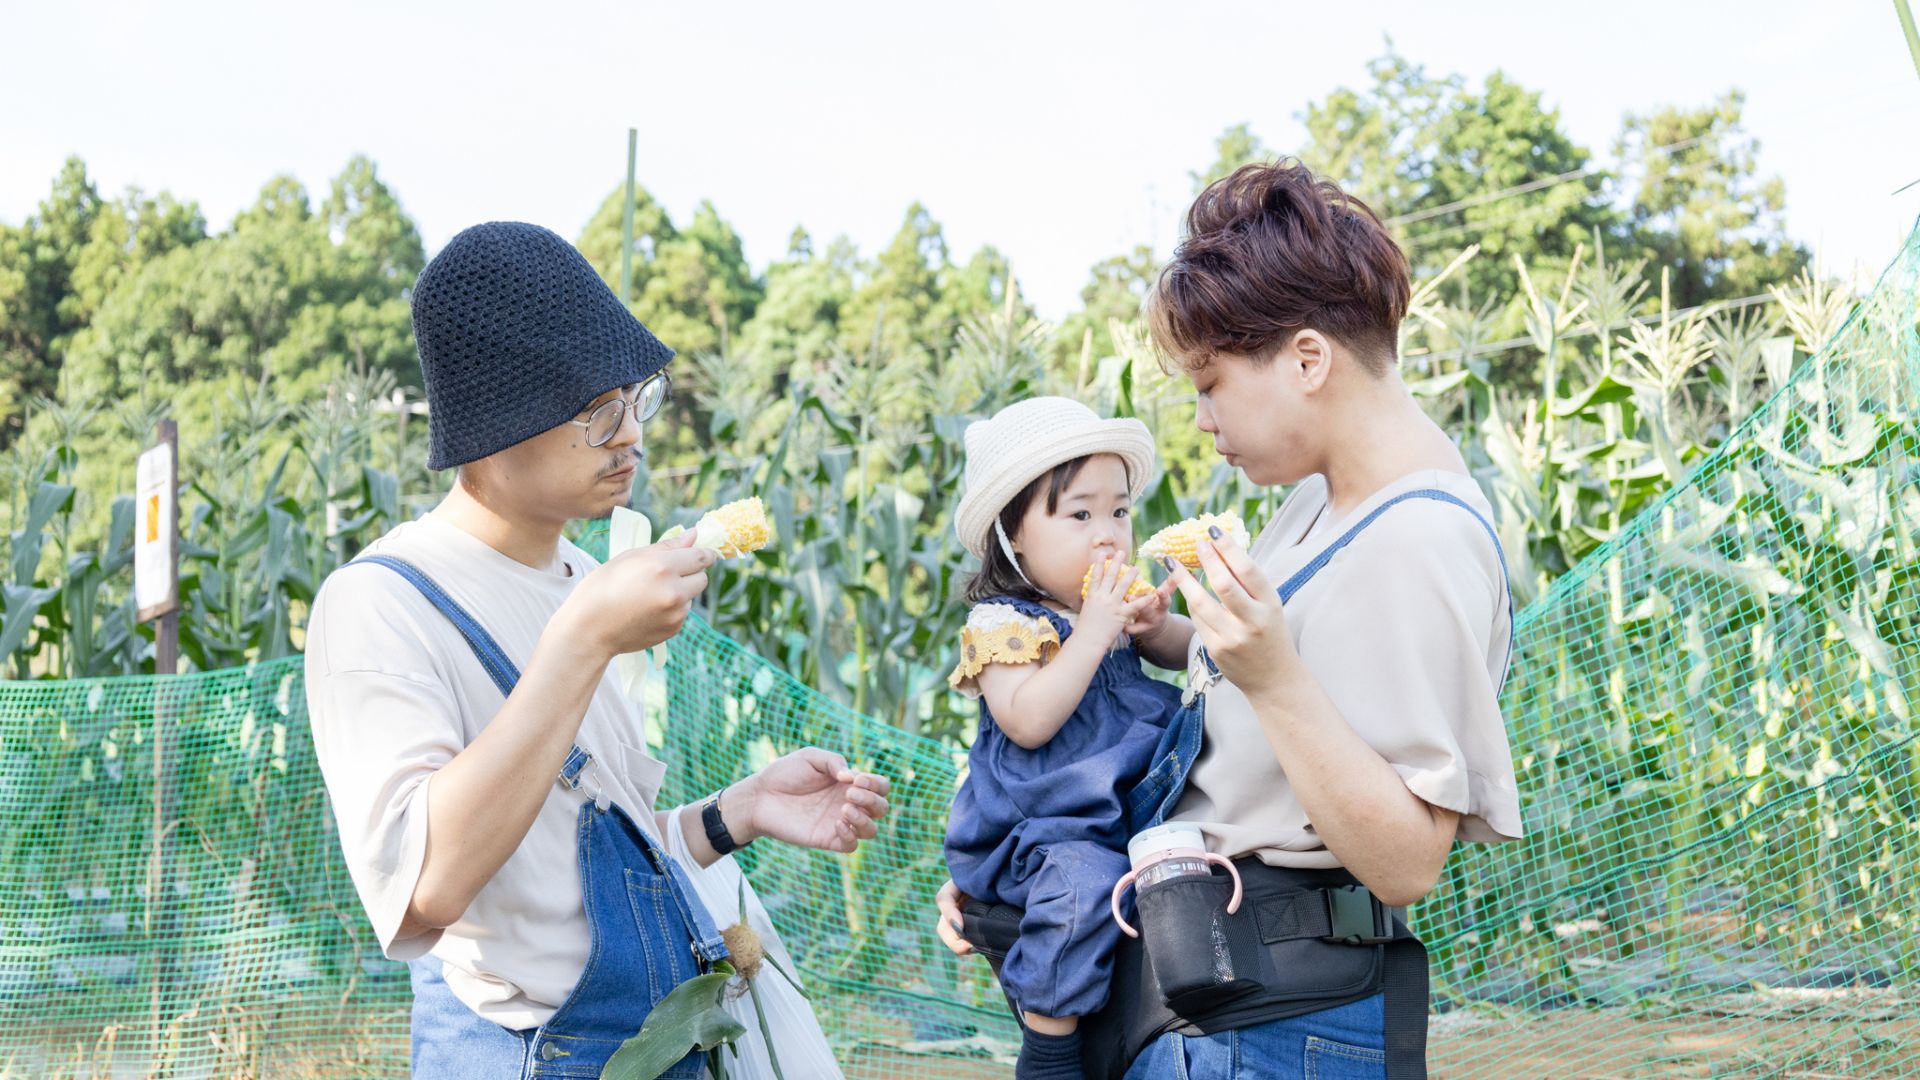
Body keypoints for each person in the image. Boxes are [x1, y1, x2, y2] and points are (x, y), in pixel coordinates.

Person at [937, 161, 1522, 1079]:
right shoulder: (1313, 509)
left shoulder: (1419, 539)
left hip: (1274, 1024)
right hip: (1202, 1002)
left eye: (1211, 383)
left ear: (1307, 359)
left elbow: (1408, 861)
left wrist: (1275, 677)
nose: (1203, 422)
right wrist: (1013, 876)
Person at [304, 221, 891, 1078]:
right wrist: (580, 639)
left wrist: (739, 812)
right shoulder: (381, 603)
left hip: (650, 1044)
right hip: (527, 1053)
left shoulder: (581, 572)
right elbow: (426, 887)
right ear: (491, 422)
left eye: (634, 401)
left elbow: (575, 863)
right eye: (596, 413)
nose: (631, 437)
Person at [942, 397, 1188, 1079]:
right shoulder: (1004, 621)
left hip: (1120, 814)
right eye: (1080, 515)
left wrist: (1159, 626)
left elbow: (1197, 657)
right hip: (1039, 833)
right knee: (1083, 885)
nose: (1108, 534)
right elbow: (1028, 720)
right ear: (1014, 533)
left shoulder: (1105, 606)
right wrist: (1099, 629)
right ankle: (1049, 1047)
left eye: (1119, 511)